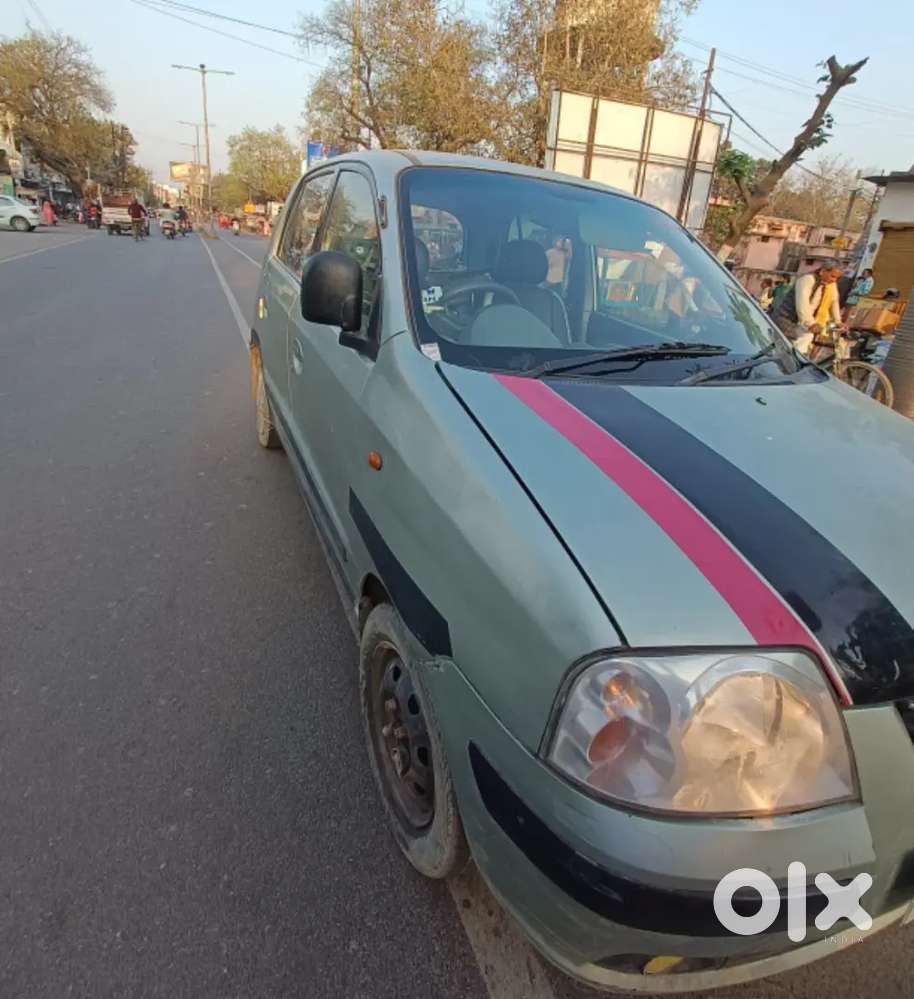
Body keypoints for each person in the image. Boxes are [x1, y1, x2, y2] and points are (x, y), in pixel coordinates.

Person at [771, 258, 843, 355]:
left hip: (804, 322)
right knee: (788, 349)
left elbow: (834, 301)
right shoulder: (807, 279)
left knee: (804, 345)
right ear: (823, 271)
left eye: (836, 278)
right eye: (832, 276)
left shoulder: (830, 284)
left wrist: (838, 321)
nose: (834, 280)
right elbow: (802, 304)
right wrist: (811, 324)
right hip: (788, 319)